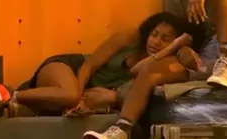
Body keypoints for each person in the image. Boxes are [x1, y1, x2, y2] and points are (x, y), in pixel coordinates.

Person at [14, 12, 195, 117]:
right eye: (154, 34)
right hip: (71, 68)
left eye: (165, 39)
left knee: (73, 102)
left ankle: (17, 102)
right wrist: (77, 97)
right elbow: (88, 66)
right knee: (70, 95)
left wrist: (173, 48)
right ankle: (9, 96)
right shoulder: (129, 38)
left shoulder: (158, 64)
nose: (156, 42)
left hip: (82, 91)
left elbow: (137, 71)